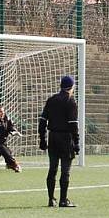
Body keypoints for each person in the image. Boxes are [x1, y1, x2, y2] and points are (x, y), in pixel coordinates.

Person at [39, 75, 79, 207]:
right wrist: (76, 142)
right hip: (65, 138)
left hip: (53, 137)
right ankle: (63, 200)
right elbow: (73, 124)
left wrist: (42, 139)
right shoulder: (70, 101)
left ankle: (51, 199)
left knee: (52, 169)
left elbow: (43, 120)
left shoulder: (51, 100)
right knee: (65, 170)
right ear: (71, 87)